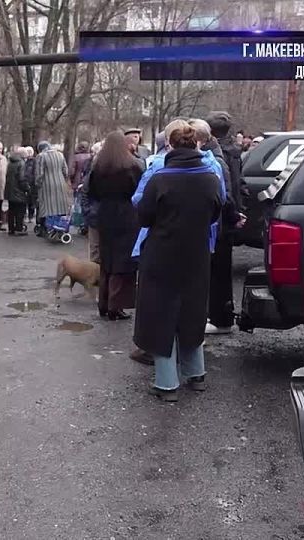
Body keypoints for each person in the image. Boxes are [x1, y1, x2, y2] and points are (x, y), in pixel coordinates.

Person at [134, 123, 223, 402]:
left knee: (161, 315)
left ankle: (166, 383)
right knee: (192, 312)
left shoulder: (160, 179)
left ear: (169, 145)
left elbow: (144, 217)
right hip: (196, 255)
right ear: (197, 144)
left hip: (162, 256)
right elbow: (215, 213)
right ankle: (196, 374)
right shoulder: (210, 178)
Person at [88, 131, 143, 321]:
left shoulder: (98, 166)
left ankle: (103, 303)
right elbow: (139, 191)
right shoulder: (132, 166)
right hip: (126, 215)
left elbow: (92, 192)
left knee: (107, 260)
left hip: (105, 214)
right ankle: (116, 305)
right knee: (123, 262)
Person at [205, 111, 248, 335]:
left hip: (220, 217)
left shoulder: (215, 156)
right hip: (229, 216)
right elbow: (239, 184)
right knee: (222, 269)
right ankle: (222, 314)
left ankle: (220, 318)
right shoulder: (234, 151)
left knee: (216, 270)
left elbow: (225, 191)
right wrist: (239, 211)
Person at [33, 141, 71, 236]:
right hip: (60, 183)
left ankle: (45, 228)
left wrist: (37, 184)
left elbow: (40, 173)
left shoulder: (41, 156)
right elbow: (65, 171)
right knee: (60, 205)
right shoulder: (60, 155)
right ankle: (60, 227)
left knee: (47, 206)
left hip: (47, 185)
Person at [4, 146, 29, 236]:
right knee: (20, 211)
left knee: (11, 211)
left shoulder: (10, 162)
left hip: (10, 191)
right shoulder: (21, 163)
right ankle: (19, 228)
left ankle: (11, 229)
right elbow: (22, 178)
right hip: (19, 191)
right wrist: (27, 188)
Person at [23, 146, 37, 223]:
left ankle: (31, 216)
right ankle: (24, 215)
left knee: (31, 201)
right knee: (24, 201)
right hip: (24, 183)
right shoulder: (23, 161)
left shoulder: (34, 161)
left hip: (31, 184)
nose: (28, 154)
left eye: (29, 152)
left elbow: (35, 172)